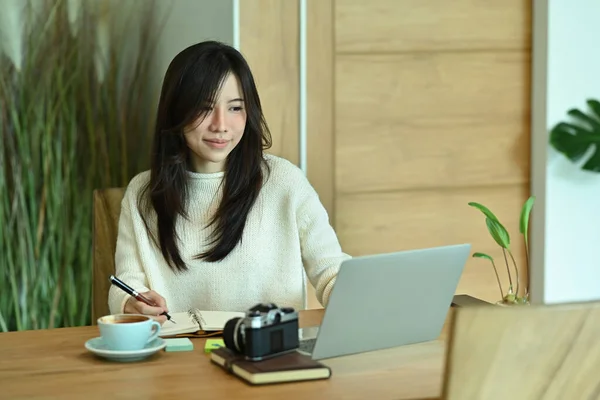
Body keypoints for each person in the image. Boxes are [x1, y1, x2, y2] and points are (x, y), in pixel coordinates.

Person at [108, 40, 351, 324]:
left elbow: (331, 271)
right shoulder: (143, 193)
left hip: (267, 355)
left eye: (235, 108)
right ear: (177, 111)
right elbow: (126, 285)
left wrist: (353, 296)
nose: (221, 124)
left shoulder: (284, 182)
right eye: (205, 108)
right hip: (178, 358)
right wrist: (131, 302)